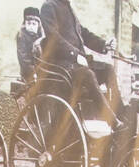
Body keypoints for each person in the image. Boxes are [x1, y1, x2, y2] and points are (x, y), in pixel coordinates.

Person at [38, 0, 120, 128]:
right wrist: (75, 55)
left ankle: (120, 115)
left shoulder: (68, 7)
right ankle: (112, 121)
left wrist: (104, 44)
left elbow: (83, 33)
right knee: (87, 74)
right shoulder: (49, 6)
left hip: (76, 65)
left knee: (108, 70)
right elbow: (53, 38)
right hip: (61, 67)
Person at [16, 8, 43, 82]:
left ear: (38, 25)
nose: (31, 26)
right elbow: (23, 58)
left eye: (34, 24)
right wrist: (32, 73)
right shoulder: (22, 36)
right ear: (24, 24)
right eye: (28, 23)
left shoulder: (40, 37)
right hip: (27, 72)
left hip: (40, 70)